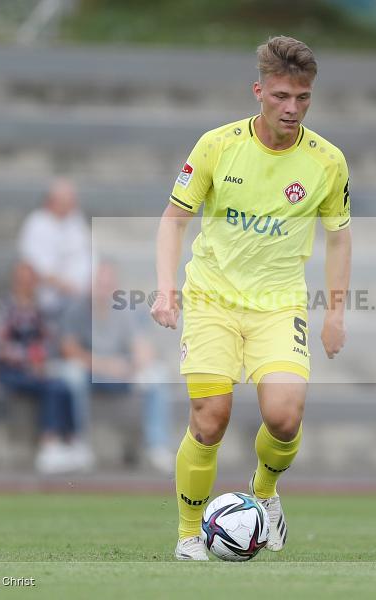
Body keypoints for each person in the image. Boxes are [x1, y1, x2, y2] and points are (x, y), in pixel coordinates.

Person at [150, 36, 352, 560]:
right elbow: (174, 220)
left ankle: (264, 495)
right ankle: (189, 533)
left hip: (278, 306)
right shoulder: (217, 146)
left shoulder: (327, 162)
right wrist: (166, 289)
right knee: (209, 417)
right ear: (259, 91)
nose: (292, 108)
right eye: (282, 96)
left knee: (285, 416)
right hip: (213, 300)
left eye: (302, 97)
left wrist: (336, 313)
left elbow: (340, 236)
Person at [57, 259, 174, 473]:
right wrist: (104, 365)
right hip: (90, 371)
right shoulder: (77, 309)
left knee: (156, 375)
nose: (103, 289)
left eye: (108, 284)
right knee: (71, 375)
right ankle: (78, 444)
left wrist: (137, 363)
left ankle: (157, 446)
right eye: (99, 283)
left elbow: (141, 345)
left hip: (120, 373)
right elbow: (69, 349)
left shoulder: (124, 310)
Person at [0, 262, 86, 474]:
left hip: (36, 368)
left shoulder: (38, 309)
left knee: (62, 385)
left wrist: (39, 358)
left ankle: (71, 439)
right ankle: (49, 442)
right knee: (51, 388)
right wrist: (27, 359)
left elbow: (48, 338)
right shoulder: (5, 306)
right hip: (11, 370)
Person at [17, 178, 91, 320]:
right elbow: (39, 270)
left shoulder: (75, 220)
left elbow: (88, 253)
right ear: (52, 201)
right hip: (53, 300)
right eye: (68, 201)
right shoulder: (37, 224)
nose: (73, 205)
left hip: (84, 296)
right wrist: (75, 290)